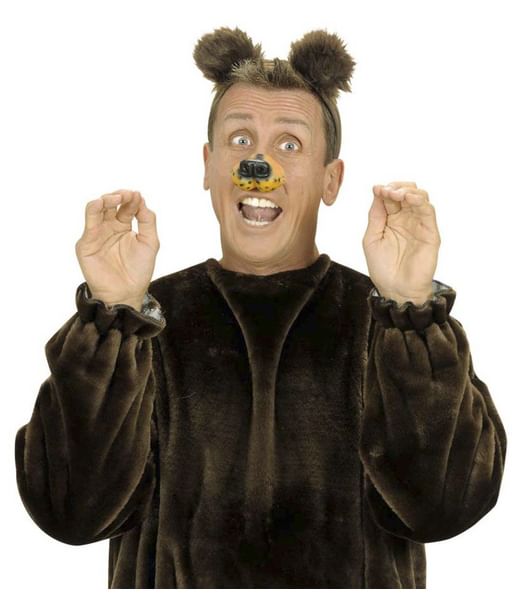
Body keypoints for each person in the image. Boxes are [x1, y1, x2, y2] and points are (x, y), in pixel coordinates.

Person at [14, 26, 507, 589]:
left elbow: (445, 508)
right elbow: (69, 511)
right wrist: (113, 312)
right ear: (208, 165)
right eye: (240, 139)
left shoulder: (387, 323)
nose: (258, 163)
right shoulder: (145, 323)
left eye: (289, 145)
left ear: (331, 179)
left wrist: (411, 308)